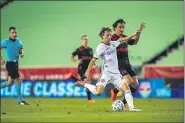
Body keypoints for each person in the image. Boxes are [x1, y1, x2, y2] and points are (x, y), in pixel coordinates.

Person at [75, 27, 142, 111]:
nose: (109, 37)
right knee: (98, 92)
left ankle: (132, 108)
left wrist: (134, 34)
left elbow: (123, 39)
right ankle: (83, 84)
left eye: (110, 35)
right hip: (106, 74)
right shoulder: (100, 47)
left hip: (116, 74)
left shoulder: (113, 43)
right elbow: (93, 60)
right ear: (103, 36)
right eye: (107, 35)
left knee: (127, 89)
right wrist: (87, 72)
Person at [111, 19, 145, 109]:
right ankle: (114, 91)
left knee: (135, 84)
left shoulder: (126, 37)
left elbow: (135, 42)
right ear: (115, 28)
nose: (122, 29)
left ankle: (123, 103)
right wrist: (133, 34)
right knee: (129, 81)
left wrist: (139, 33)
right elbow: (122, 40)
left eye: (123, 27)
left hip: (127, 64)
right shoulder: (112, 38)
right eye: (120, 27)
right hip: (118, 64)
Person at [0, 27, 30, 105]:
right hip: (10, 64)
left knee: (9, 83)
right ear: (10, 33)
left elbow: (20, 49)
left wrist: (22, 53)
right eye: (12, 32)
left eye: (15, 32)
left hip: (16, 64)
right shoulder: (5, 42)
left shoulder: (18, 41)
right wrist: (0, 59)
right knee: (18, 80)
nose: (14, 34)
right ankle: (20, 101)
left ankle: (20, 100)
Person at [69, 35, 95, 103]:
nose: (85, 40)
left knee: (87, 83)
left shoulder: (90, 49)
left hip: (87, 69)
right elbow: (71, 57)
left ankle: (72, 77)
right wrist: (76, 61)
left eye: (86, 39)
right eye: (84, 39)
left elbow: (91, 59)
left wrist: (94, 65)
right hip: (81, 68)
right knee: (88, 82)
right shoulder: (79, 49)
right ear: (81, 40)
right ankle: (89, 99)